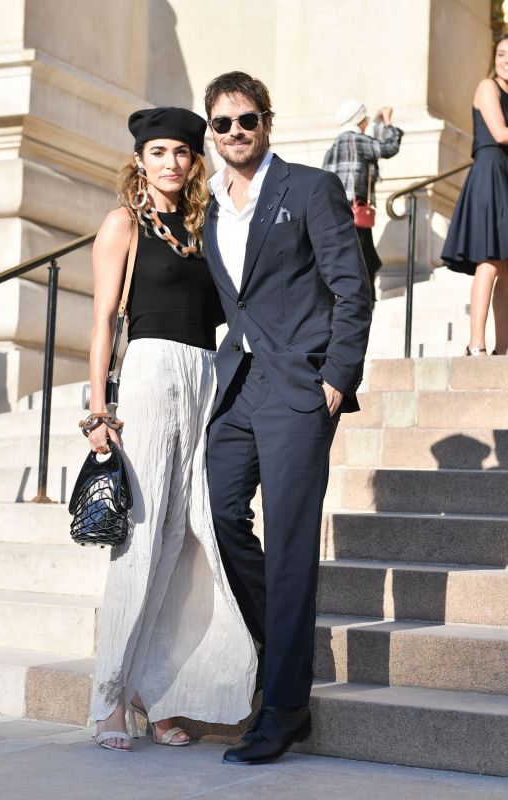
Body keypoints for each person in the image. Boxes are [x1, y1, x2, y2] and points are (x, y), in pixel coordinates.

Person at [203, 71, 372, 765]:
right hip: (237, 386)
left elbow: (350, 286)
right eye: (222, 124)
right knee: (218, 515)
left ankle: (283, 707)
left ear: (265, 123)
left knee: (292, 546)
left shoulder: (308, 188)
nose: (235, 133)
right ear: (209, 131)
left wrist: (335, 378)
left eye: (246, 121)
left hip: (299, 390)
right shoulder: (207, 206)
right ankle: (283, 648)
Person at [86, 106, 256, 751]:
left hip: (206, 373)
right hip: (151, 372)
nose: (171, 163)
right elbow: (103, 320)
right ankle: (107, 700)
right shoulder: (122, 224)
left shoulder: (205, 227)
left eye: (182, 152)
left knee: (191, 535)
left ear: (194, 160)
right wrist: (99, 408)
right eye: (158, 152)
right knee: (143, 534)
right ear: (139, 159)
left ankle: (158, 691)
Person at [441, 34, 508, 356]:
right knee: (490, 261)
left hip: (505, 176)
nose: (505, 59)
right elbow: (500, 133)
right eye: (500, 53)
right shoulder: (487, 87)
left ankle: (503, 347)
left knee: (507, 265)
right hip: (491, 173)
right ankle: (476, 342)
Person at [323, 97, 403, 303]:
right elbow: (389, 148)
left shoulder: (334, 147)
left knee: (362, 259)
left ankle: (356, 302)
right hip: (354, 212)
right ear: (358, 119)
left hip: (333, 213)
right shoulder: (357, 141)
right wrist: (388, 121)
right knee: (365, 261)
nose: (367, 120)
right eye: (365, 116)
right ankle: (363, 304)